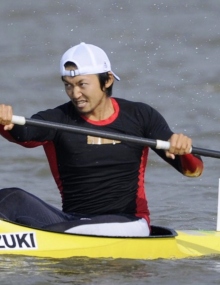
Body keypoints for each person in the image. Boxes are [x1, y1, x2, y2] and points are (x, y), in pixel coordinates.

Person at [0, 42, 203, 237]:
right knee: (10, 198)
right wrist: (4, 121)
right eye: (68, 86)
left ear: (107, 80)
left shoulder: (140, 116)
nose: (75, 93)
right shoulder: (59, 119)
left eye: (82, 85)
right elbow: (22, 134)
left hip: (129, 223)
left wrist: (184, 150)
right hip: (72, 221)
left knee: (64, 230)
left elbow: (193, 170)